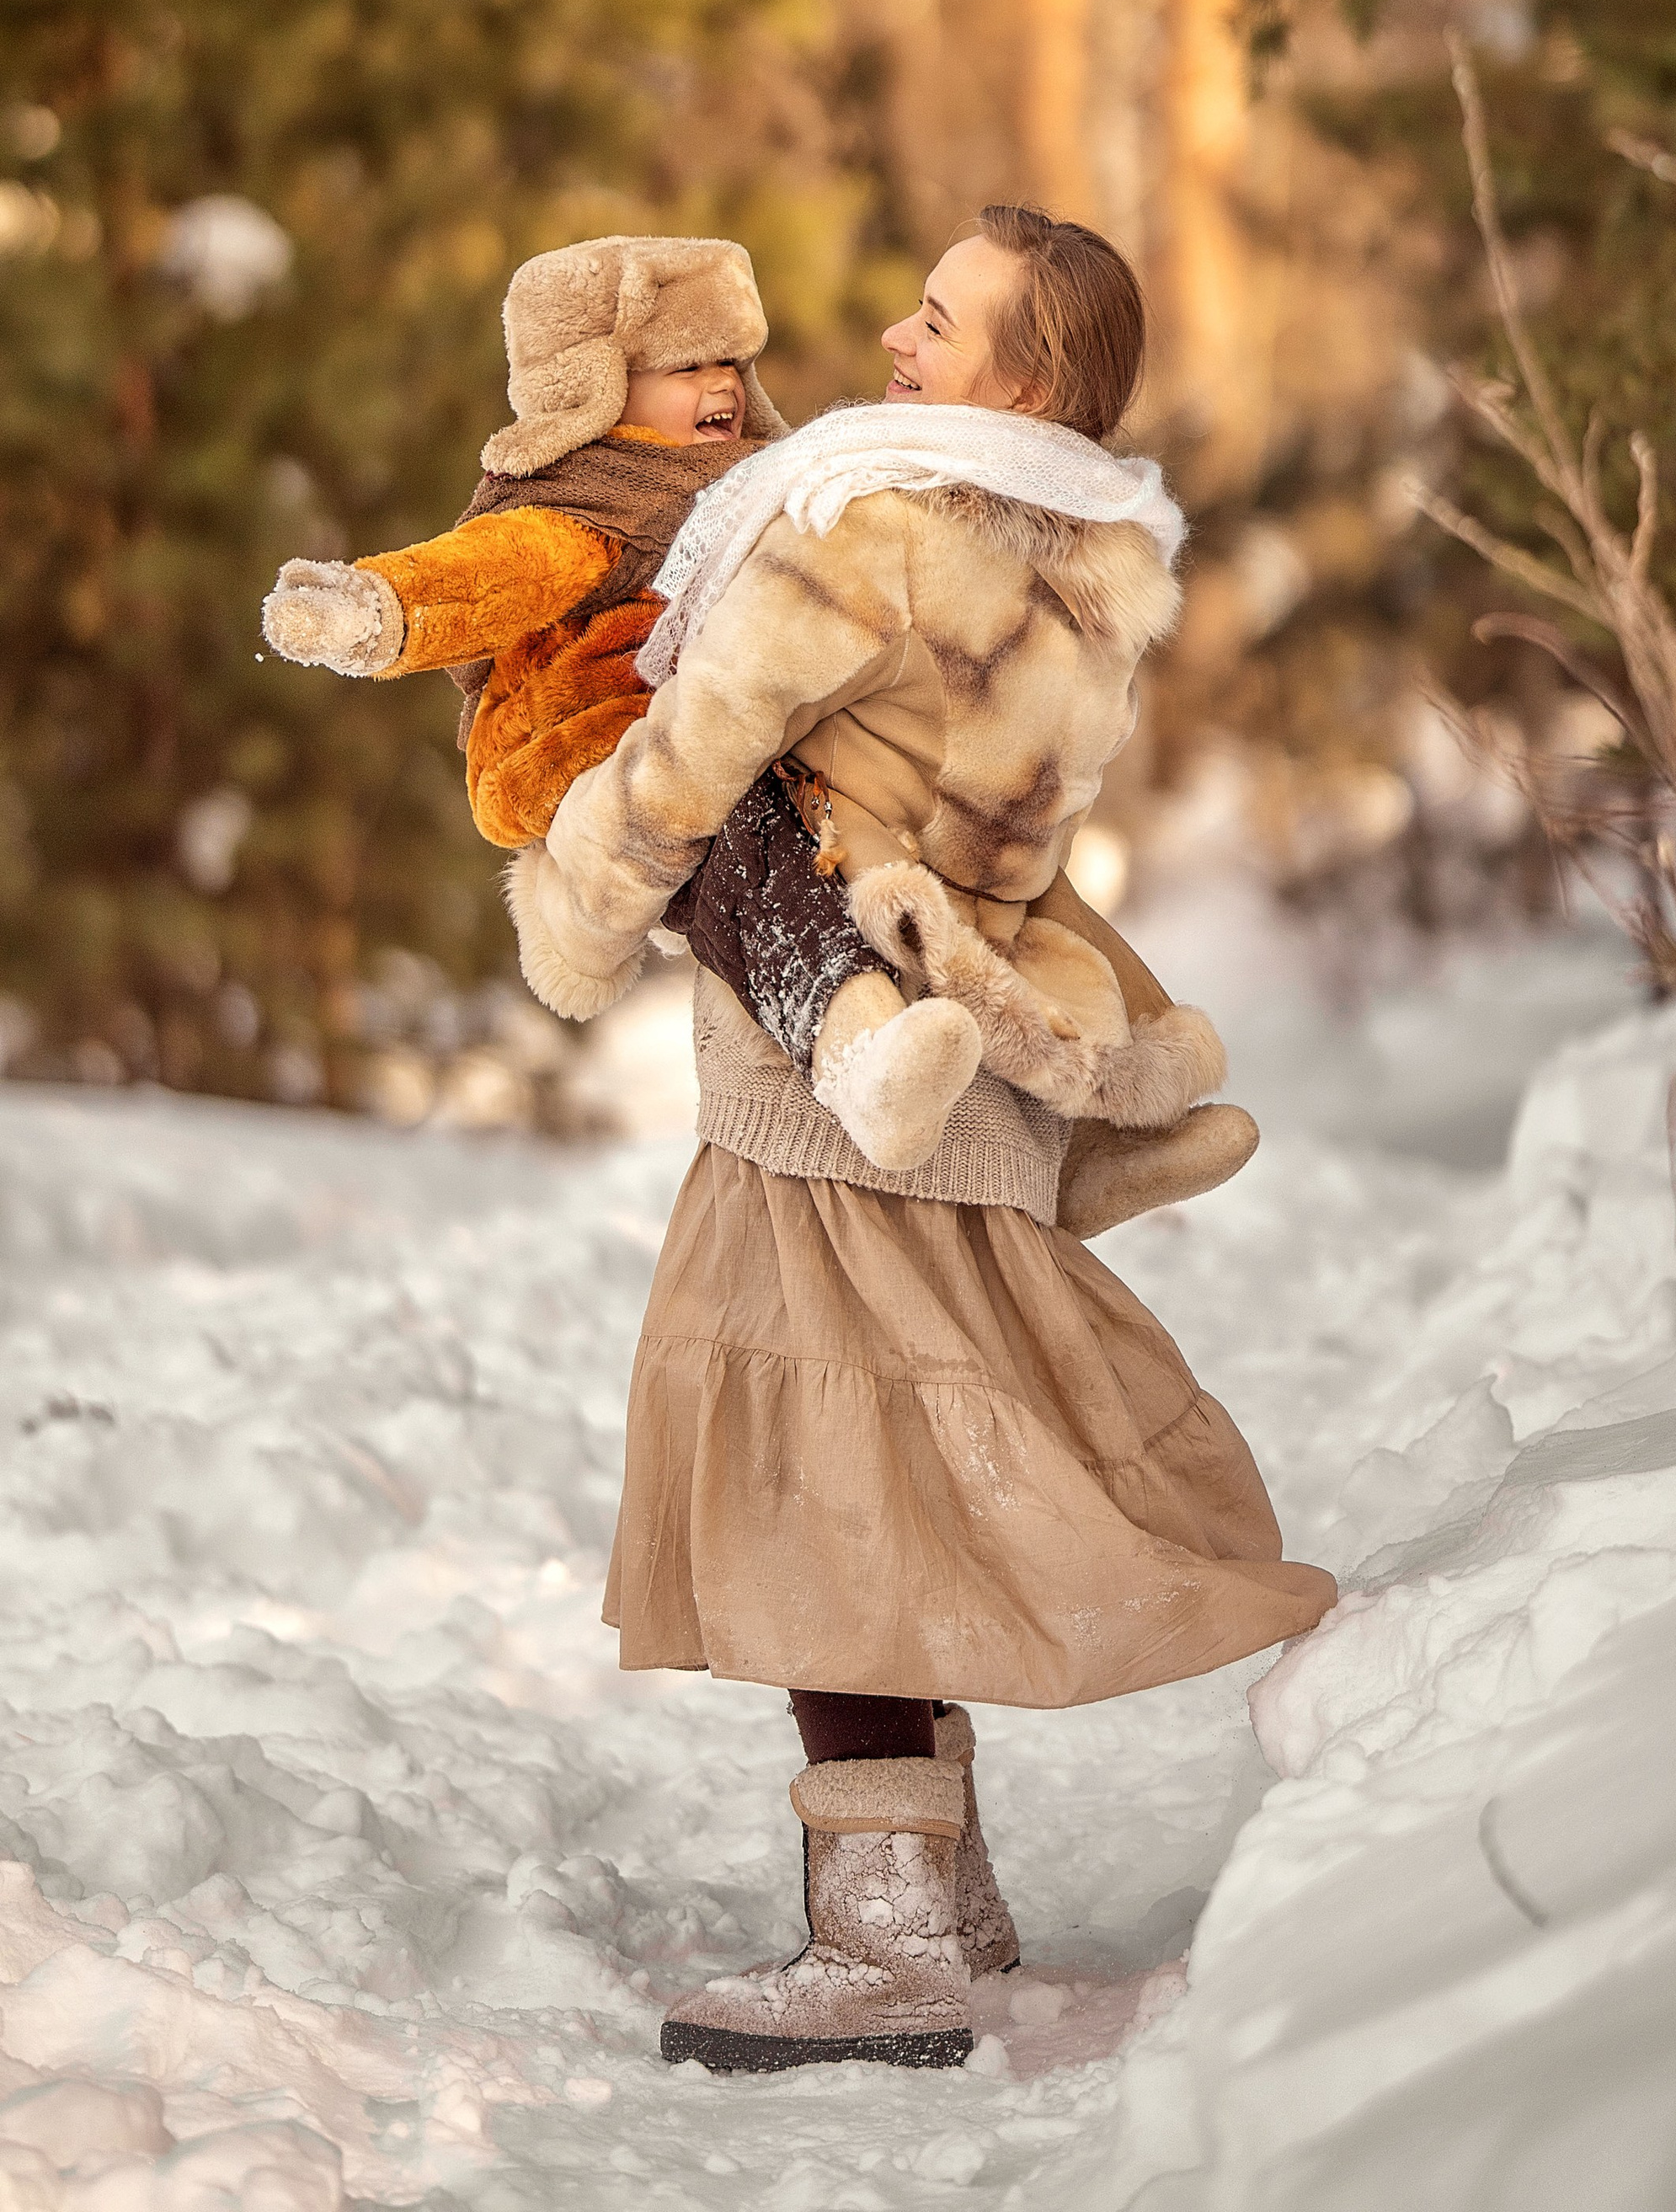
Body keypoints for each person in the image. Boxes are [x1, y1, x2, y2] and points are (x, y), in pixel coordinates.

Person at [509, 205, 1337, 2077]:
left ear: (1022, 379)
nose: (891, 337)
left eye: (939, 323)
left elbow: (691, 760)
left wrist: (574, 899)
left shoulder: (867, 530)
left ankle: (883, 1946)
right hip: (958, 1052)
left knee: (818, 1482)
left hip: (826, 1093)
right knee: (873, 1448)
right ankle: (938, 1899)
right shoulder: (1084, 567)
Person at [256, 235, 1060, 1170]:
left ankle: (1097, 1087)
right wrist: (375, 610)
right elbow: (485, 574)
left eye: (729, 361)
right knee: (765, 870)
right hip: (605, 750)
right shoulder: (590, 501)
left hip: (718, 738)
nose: (719, 385)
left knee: (893, 856)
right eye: (684, 366)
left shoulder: (754, 473)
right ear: (596, 387)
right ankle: (853, 1051)